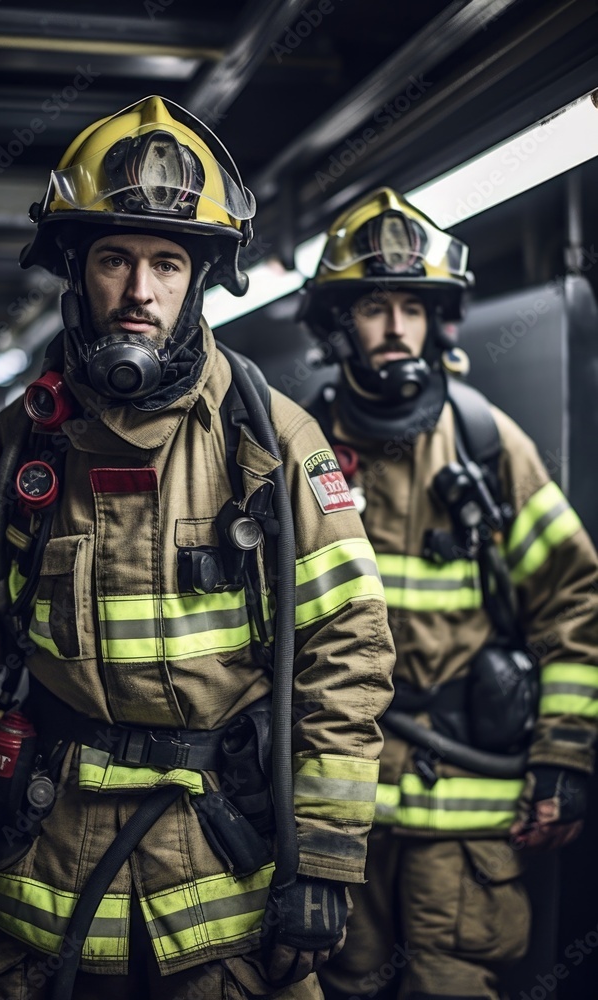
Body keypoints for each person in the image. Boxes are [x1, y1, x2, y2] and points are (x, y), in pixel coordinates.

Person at [0, 98, 395, 999]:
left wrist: (328, 861)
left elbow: (347, 647)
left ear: (198, 279)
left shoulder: (272, 442)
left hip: (224, 892)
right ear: (76, 270)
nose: (139, 289)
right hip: (47, 884)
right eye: (114, 258)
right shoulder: (16, 448)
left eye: (166, 262)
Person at [299, 187, 598, 1000]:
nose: (396, 327)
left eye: (413, 307)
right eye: (371, 306)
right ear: (337, 323)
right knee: (333, 986)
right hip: (336, 810)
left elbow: (575, 604)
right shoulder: (301, 454)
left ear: (438, 321)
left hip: (465, 823)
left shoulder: (485, 444)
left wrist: (563, 759)